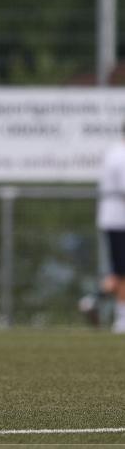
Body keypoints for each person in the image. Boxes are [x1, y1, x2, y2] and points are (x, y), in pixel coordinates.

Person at [96, 122, 125, 332]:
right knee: (122, 271)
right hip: (119, 221)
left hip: (113, 219)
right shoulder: (121, 155)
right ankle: (122, 318)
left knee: (118, 271)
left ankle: (92, 300)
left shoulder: (113, 152)